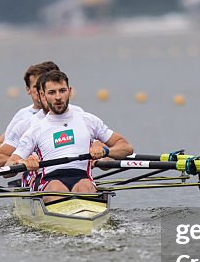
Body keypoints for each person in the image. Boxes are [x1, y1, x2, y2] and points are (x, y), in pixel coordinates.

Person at [8, 69, 132, 202]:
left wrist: (106, 151)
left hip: (82, 178)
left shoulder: (88, 120)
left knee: (84, 187)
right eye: (52, 92)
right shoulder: (36, 129)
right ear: (43, 96)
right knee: (57, 188)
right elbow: (10, 164)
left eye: (62, 91)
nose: (58, 97)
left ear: (70, 91)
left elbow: (126, 148)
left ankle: (82, 216)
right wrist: (23, 162)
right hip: (50, 180)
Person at [0, 61, 58, 163]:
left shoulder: (75, 113)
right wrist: (19, 159)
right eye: (36, 87)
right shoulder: (24, 118)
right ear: (28, 89)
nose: (41, 90)